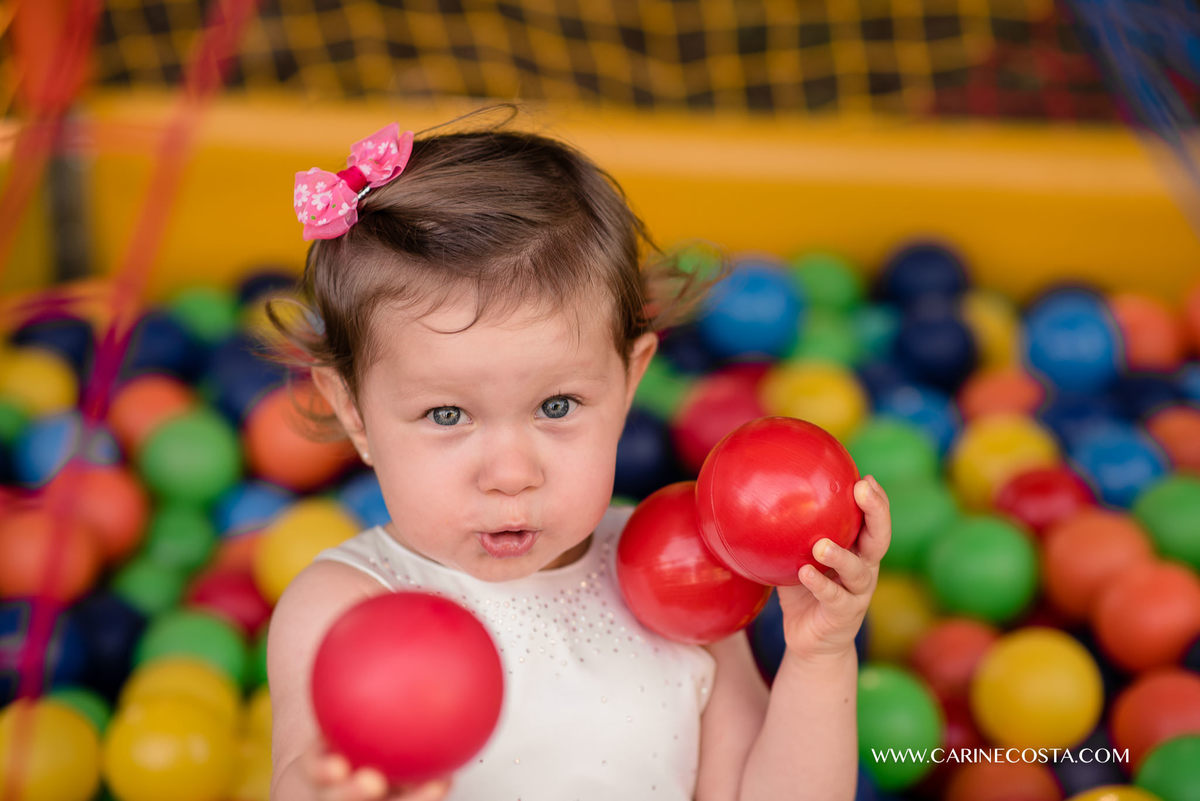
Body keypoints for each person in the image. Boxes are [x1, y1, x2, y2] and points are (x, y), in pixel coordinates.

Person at [267, 110, 892, 801]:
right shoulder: (348, 606)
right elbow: (306, 776)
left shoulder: (688, 572)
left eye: (557, 406)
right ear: (352, 410)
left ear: (628, 381)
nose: (510, 473)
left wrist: (818, 656)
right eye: (447, 414)